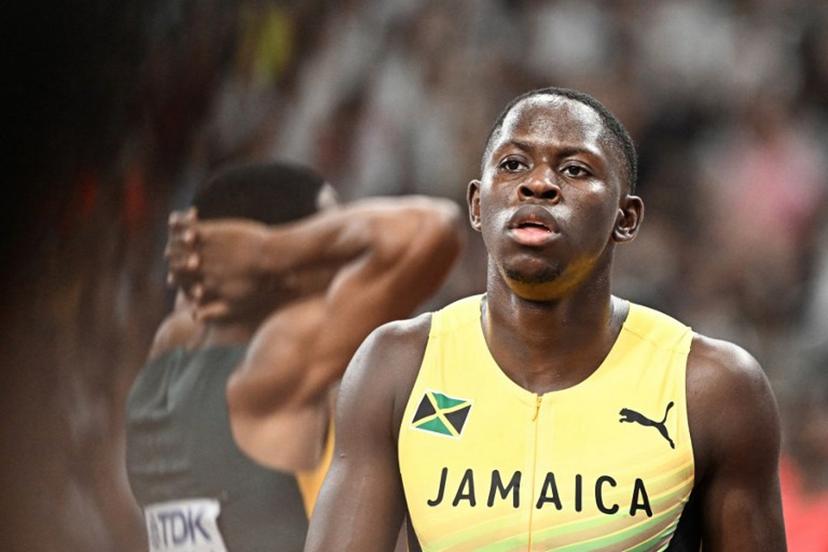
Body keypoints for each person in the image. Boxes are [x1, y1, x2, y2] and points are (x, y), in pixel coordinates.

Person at [305, 88, 787, 551]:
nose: (537, 183)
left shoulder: (709, 387)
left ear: (627, 218)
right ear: (477, 205)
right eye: (513, 165)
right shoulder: (397, 367)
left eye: (575, 169)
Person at [125, 162, 462, 551]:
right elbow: (435, 228)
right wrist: (268, 251)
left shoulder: (164, 357)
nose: (346, 267)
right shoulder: (270, 370)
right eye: (330, 245)